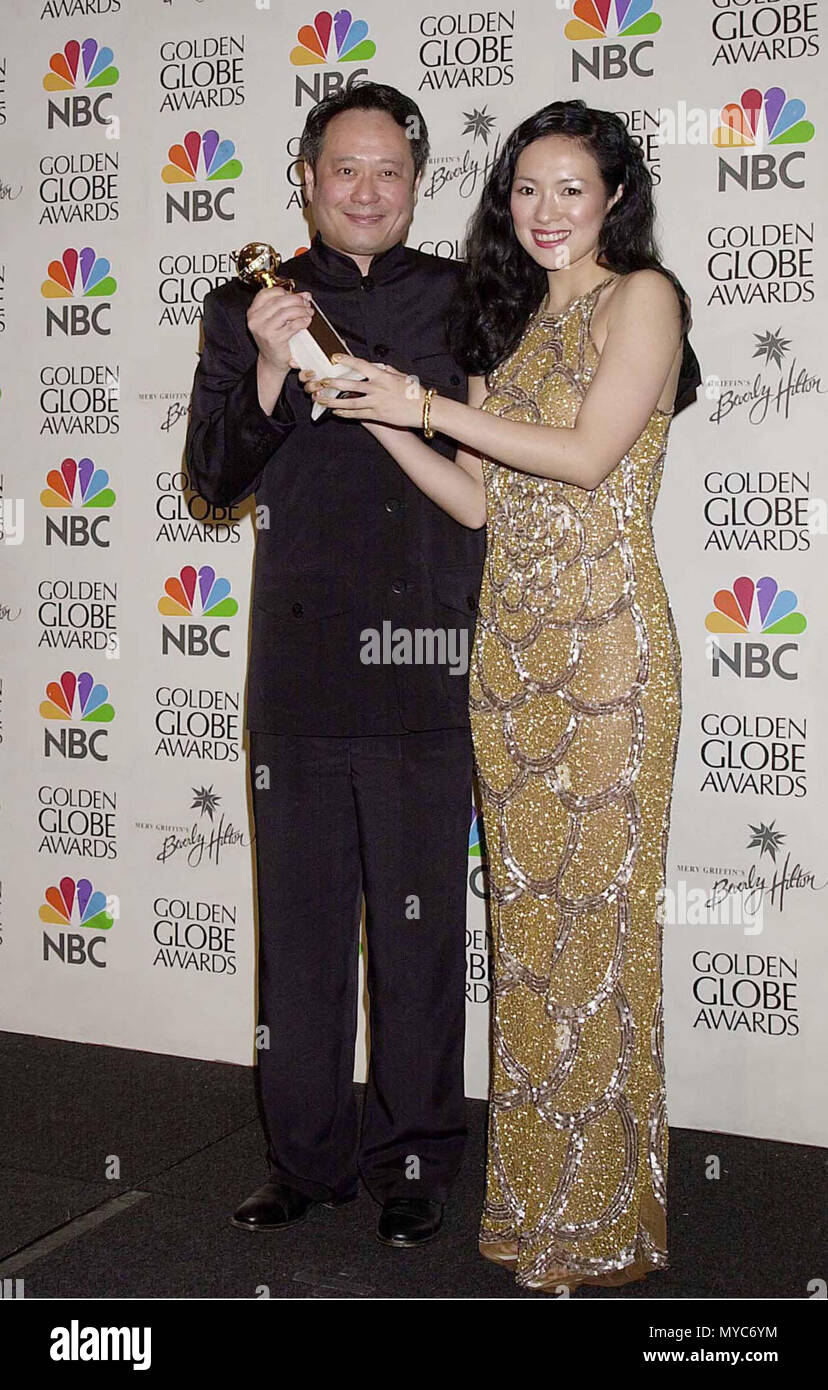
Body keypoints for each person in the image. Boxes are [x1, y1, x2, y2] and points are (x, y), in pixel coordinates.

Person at [303, 98, 690, 1290]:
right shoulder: (504, 325)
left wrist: (422, 401)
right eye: (526, 189)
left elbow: (583, 455)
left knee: (597, 935)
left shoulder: (648, 300)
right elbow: (477, 500)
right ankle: (537, 1209)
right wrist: (376, 409)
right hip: (508, 657)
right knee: (528, 943)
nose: (546, 210)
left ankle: (606, 1222)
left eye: (571, 187)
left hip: (610, 654)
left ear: (614, 196)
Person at [185, 82, 488, 1249]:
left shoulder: (465, 303)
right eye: (344, 169)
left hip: (427, 661)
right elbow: (213, 476)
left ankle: (413, 1159)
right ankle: (301, 1157)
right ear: (305, 180)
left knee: (418, 936)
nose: (367, 189)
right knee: (302, 936)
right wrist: (267, 372)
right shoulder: (247, 305)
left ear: (416, 187)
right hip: (301, 675)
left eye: (390, 172)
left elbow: (500, 467)